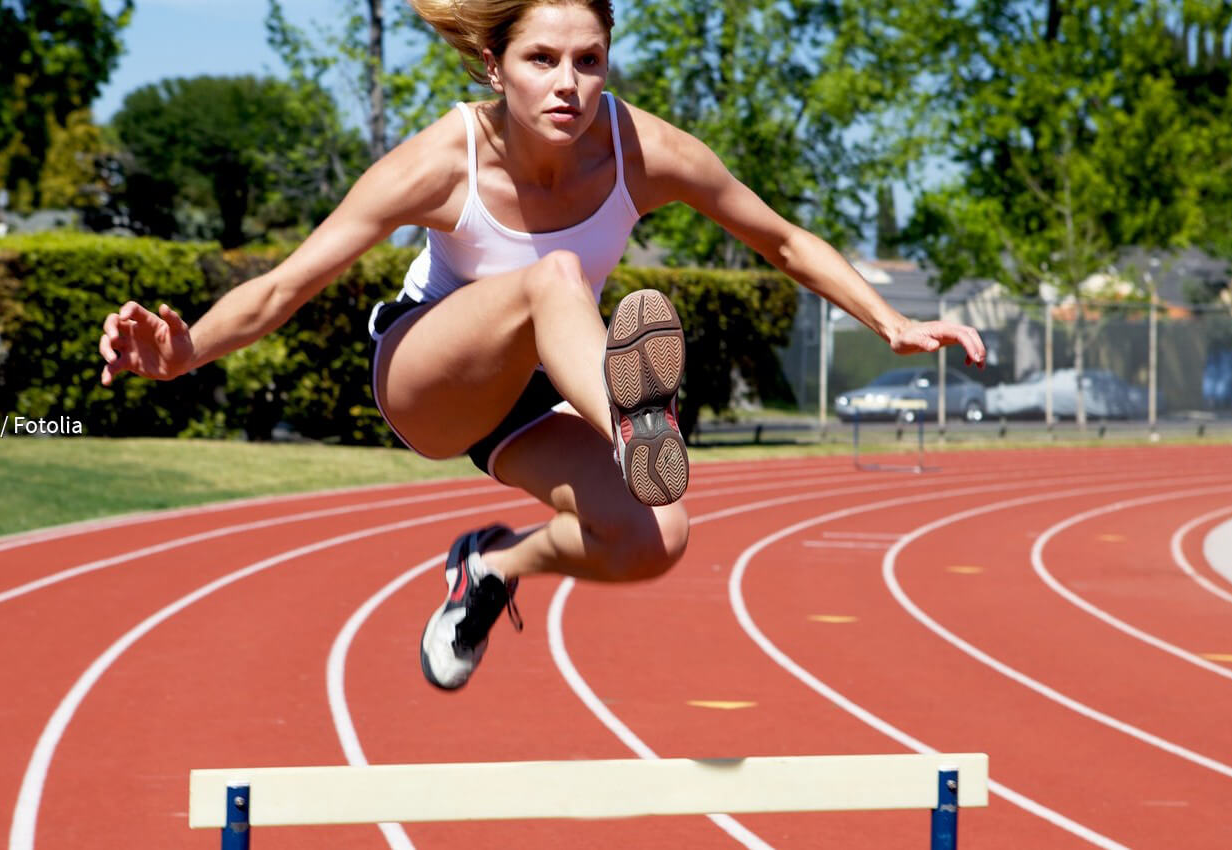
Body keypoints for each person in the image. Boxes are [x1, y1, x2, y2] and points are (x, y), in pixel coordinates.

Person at [98, 0, 987, 691]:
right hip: (428, 373)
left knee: (656, 540)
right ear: (495, 66)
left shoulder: (642, 150)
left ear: (607, 63)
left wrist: (892, 321)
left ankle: (488, 569)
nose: (569, 84)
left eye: (588, 61)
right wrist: (185, 353)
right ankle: (637, 425)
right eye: (542, 60)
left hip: (535, 394)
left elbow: (784, 240)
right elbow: (289, 284)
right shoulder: (445, 159)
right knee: (555, 277)